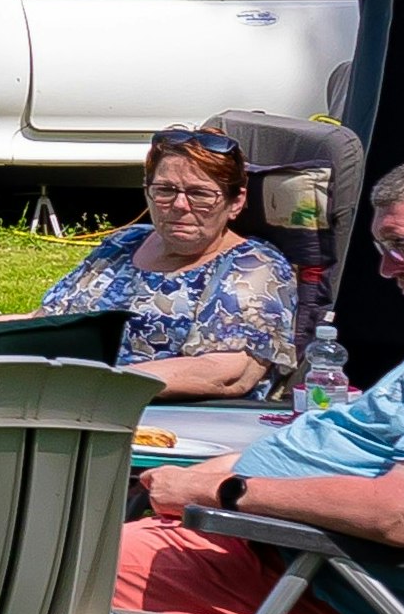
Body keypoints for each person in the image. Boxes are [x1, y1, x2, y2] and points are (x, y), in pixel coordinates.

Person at [120, 144, 404, 614]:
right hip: (268, 546)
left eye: (401, 245)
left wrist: (228, 490)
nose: (386, 270)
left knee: (35, 570)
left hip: (326, 580)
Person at [37, 124, 312, 405]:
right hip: (67, 399)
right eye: (165, 190)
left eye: (200, 194)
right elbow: (44, 322)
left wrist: (97, 384)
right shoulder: (124, 244)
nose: (180, 205)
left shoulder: (252, 267)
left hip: (161, 415)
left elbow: (227, 372)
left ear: (235, 202)